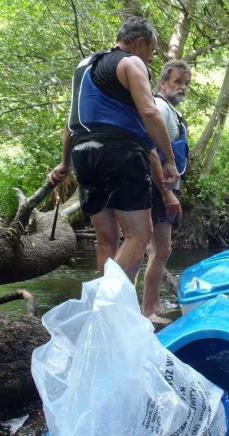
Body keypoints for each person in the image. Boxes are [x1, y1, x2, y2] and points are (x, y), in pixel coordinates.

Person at [46, 17, 179, 283]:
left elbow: (70, 123)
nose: (151, 59)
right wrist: (170, 161)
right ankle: (104, 308)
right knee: (139, 235)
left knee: (106, 241)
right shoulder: (131, 62)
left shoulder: (85, 67)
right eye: (151, 51)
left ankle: (107, 314)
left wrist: (65, 163)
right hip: (120, 153)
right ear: (139, 43)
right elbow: (150, 112)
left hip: (84, 154)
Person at [142, 60, 191, 324]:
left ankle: (152, 306)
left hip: (162, 187)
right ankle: (148, 310)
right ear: (162, 84)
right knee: (160, 249)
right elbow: (150, 149)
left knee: (158, 249)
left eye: (186, 83)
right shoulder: (160, 107)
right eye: (177, 82)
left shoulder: (170, 110)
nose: (183, 87)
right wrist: (166, 192)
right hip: (157, 187)